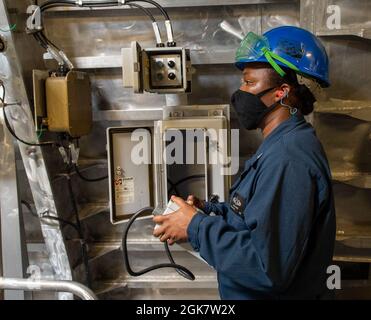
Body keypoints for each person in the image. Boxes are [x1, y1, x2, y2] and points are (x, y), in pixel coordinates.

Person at [153, 26, 336, 300]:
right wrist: (209, 211)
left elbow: (266, 268)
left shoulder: (289, 158)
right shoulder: (279, 144)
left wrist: (195, 226)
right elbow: (256, 219)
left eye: (249, 83)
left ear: (281, 92)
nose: (240, 91)